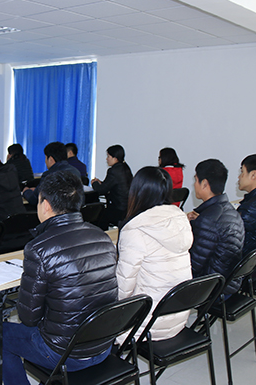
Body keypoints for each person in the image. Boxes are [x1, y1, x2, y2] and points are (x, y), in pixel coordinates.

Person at [0, 170, 118, 385]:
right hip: (103, 346)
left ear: (45, 205)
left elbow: (28, 318)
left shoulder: (39, 249)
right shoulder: (103, 238)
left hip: (65, 354)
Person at [116, 166, 193, 344]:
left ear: (136, 192)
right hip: (177, 317)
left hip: (147, 324)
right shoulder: (180, 220)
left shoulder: (135, 230)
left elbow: (123, 289)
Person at [187, 159, 245, 294]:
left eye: (196, 180)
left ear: (204, 184)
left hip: (212, 289)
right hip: (229, 281)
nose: (194, 185)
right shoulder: (230, 210)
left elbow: (193, 267)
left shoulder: (208, 221)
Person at [91, 145, 133, 230]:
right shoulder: (125, 167)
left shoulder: (113, 171)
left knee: (97, 217)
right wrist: (101, 183)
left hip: (117, 208)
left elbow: (101, 190)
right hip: (127, 207)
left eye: (108, 156)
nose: (107, 159)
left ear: (115, 158)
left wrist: (94, 183)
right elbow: (112, 185)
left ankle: (102, 235)